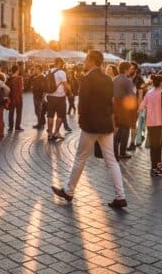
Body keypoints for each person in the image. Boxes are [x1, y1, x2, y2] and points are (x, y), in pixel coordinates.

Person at [52, 51, 127, 208]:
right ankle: (121, 196)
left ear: (92, 61)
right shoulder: (108, 79)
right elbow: (111, 101)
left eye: (86, 59)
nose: (84, 62)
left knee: (80, 158)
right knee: (111, 160)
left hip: (91, 125)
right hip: (106, 124)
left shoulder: (87, 79)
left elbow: (83, 104)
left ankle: (69, 191)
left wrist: (81, 119)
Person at [137, 74, 162, 176]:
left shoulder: (149, 93)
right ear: (161, 83)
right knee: (158, 147)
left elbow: (141, 106)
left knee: (153, 147)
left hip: (150, 123)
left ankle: (153, 168)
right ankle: (156, 169)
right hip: (160, 124)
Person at [113, 62, 136, 159]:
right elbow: (131, 96)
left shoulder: (114, 79)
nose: (131, 70)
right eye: (130, 68)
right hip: (124, 107)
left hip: (115, 106)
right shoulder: (128, 81)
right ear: (126, 69)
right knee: (125, 129)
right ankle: (122, 152)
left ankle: (114, 151)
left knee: (117, 129)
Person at [45, 58, 69, 141]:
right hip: (60, 97)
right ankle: (56, 132)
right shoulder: (62, 72)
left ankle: (50, 134)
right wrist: (68, 91)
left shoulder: (49, 71)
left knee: (50, 115)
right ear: (60, 63)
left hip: (50, 96)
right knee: (60, 115)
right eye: (62, 63)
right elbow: (66, 86)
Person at [7, 64, 24, 132]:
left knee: (11, 113)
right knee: (19, 113)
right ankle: (17, 127)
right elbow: (21, 88)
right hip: (18, 98)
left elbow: (7, 89)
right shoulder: (20, 78)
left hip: (11, 97)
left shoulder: (9, 78)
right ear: (17, 70)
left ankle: (10, 128)